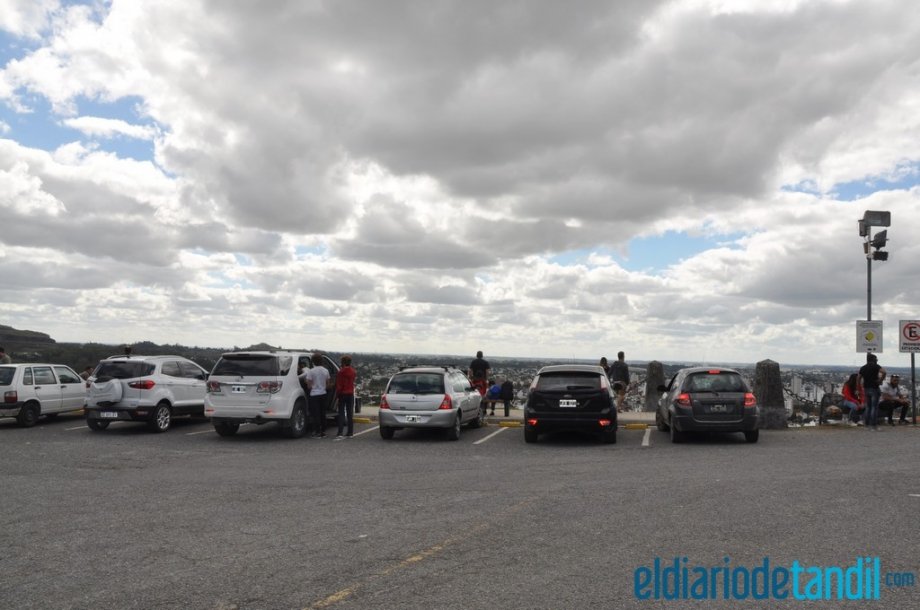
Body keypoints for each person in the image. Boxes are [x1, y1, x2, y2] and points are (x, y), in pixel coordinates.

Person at [301, 354, 331, 438]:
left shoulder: (311, 371)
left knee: (315, 414)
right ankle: (323, 431)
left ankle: (317, 431)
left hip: (314, 394)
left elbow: (309, 386)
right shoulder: (326, 371)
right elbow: (328, 384)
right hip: (323, 394)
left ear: (313, 361)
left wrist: (306, 381)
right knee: (322, 413)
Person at [857, 353, 884, 431]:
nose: (877, 360)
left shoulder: (863, 368)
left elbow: (858, 378)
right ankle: (873, 425)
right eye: (876, 359)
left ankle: (866, 425)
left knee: (868, 407)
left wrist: (858, 387)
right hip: (874, 388)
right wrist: (880, 380)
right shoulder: (876, 366)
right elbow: (884, 372)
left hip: (866, 388)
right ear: (873, 359)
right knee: (874, 407)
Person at [334, 355, 357, 439]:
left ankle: (340, 432)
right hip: (350, 393)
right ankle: (350, 432)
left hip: (342, 393)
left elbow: (339, 385)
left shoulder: (341, 372)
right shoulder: (353, 371)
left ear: (343, 362)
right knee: (350, 413)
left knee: (341, 413)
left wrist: (337, 395)